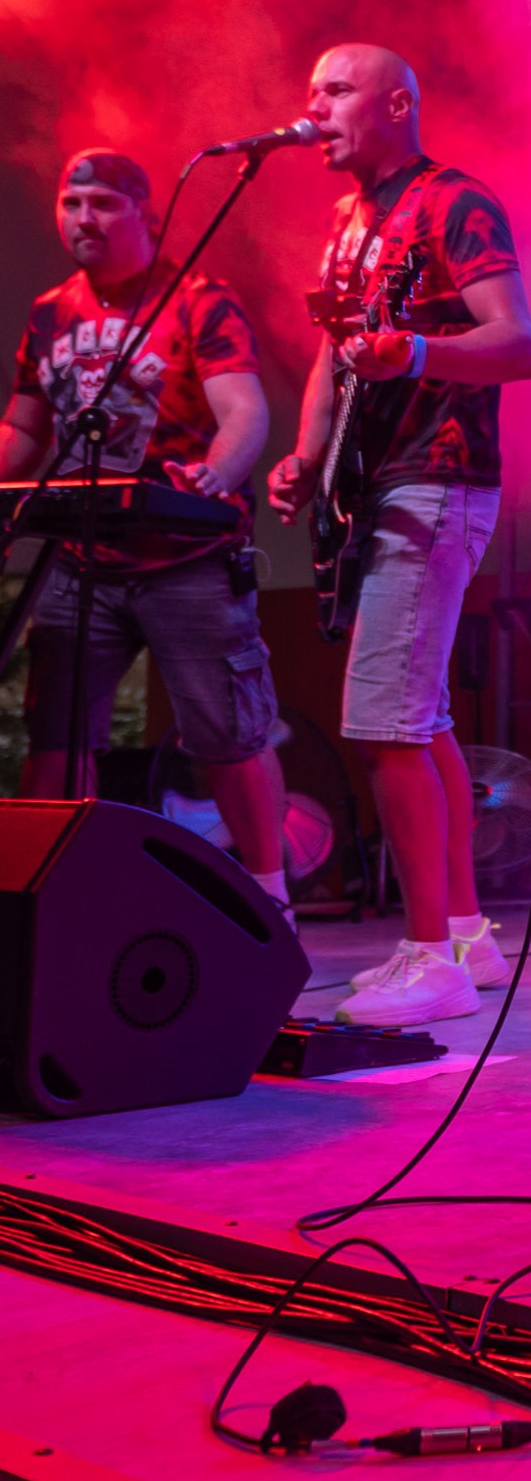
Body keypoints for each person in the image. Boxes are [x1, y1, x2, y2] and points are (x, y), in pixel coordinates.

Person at [267, 46, 531, 1027]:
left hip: (437, 480)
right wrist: (308, 454)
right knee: (420, 720)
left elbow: (520, 342)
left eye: (335, 91)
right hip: (381, 485)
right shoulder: (347, 224)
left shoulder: (454, 201)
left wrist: (418, 350)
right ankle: (463, 933)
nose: (315, 109)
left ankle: (429, 960)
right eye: (310, 92)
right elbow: (330, 357)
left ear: (394, 105)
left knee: (385, 720)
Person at [4, 150, 293, 914]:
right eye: (71, 202)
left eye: (102, 202)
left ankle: (270, 904)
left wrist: (217, 472)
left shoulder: (197, 298)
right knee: (57, 735)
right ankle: (53, 909)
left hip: (187, 557)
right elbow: (24, 428)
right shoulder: (50, 311)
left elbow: (243, 410)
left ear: (147, 215)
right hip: (79, 560)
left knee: (227, 736)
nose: (83, 218)